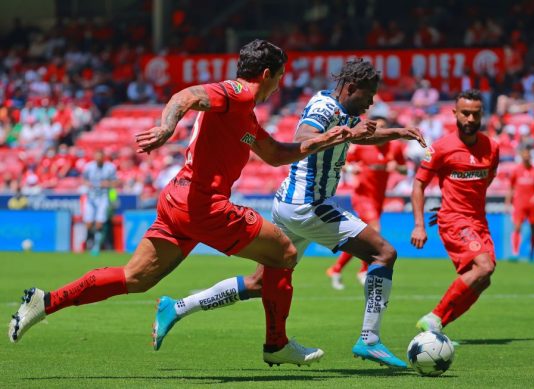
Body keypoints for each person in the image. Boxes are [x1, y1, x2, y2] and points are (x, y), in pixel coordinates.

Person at [8, 40, 371, 367]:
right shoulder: (238, 93)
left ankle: (46, 300)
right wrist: (166, 127)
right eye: (279, 77)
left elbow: (275, 154)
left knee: (134, 278)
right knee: (284, 253)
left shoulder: (244, 116)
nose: (279, 85)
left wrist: (327, 139)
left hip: (178, 201)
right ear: (266, 74)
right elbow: (187, 95)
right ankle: (276, 344)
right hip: (203, 205)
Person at [152, 59, 427, 369]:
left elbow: (357, 134)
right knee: (383, 254)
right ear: (351, 88)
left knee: (259, 283)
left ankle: (176, 308)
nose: (372, 102)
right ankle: (370, 340)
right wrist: (350, 133)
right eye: (369, 95)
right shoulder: (324, 108)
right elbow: (302, 140)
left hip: (290, 204)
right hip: (307, 206)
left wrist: (398, 133)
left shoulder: (341, 111)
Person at [410, 89, 500, 333]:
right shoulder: (440, 148)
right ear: (455, 114)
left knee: (483, 279)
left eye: (475, 114)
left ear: (482, 115)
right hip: (454, 220)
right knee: (484, 267)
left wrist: (461, 197)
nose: (470, 119)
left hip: (479, 222)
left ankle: (436, 328)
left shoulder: (492, 148)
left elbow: (485, 181)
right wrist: (419, 224)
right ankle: (435, 316)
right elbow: (418, 185)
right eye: (465, 114)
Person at [326, 113, 407, 290]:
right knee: (374, 231)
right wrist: (351, 168)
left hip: (379, 198)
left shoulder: (395, 147)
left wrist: (398, 168)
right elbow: (344, 162)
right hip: (363, 196)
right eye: (377, 127)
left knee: (361, 235)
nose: (380, 131)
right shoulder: (363, 145)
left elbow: (405, 170)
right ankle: (364, 270)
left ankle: (336, 268)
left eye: (384, 127)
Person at [506, 146, 534, 262]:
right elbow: (511, 188)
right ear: (522, 156)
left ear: (530, 156)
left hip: (532, 204)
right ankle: (515, 253)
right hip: (519, 203)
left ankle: (531, 253)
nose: (526, 157)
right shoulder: (516, 171)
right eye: (524, 154)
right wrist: (508, 202)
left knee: (533, 228)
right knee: (517, 227)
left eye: (528, 155)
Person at [82, 149, 119, 255]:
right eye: (96, 157)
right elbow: (83, 179)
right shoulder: (89, 167)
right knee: (88, 224)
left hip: (103, 198)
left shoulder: (110, 167)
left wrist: (108, 184)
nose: (98, 159)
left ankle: (96, 246)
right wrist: (87, 184)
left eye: (100, 157)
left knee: (99, 223)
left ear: (103, 157)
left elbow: (116, 182)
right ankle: (90, 241)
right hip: (90, 197)